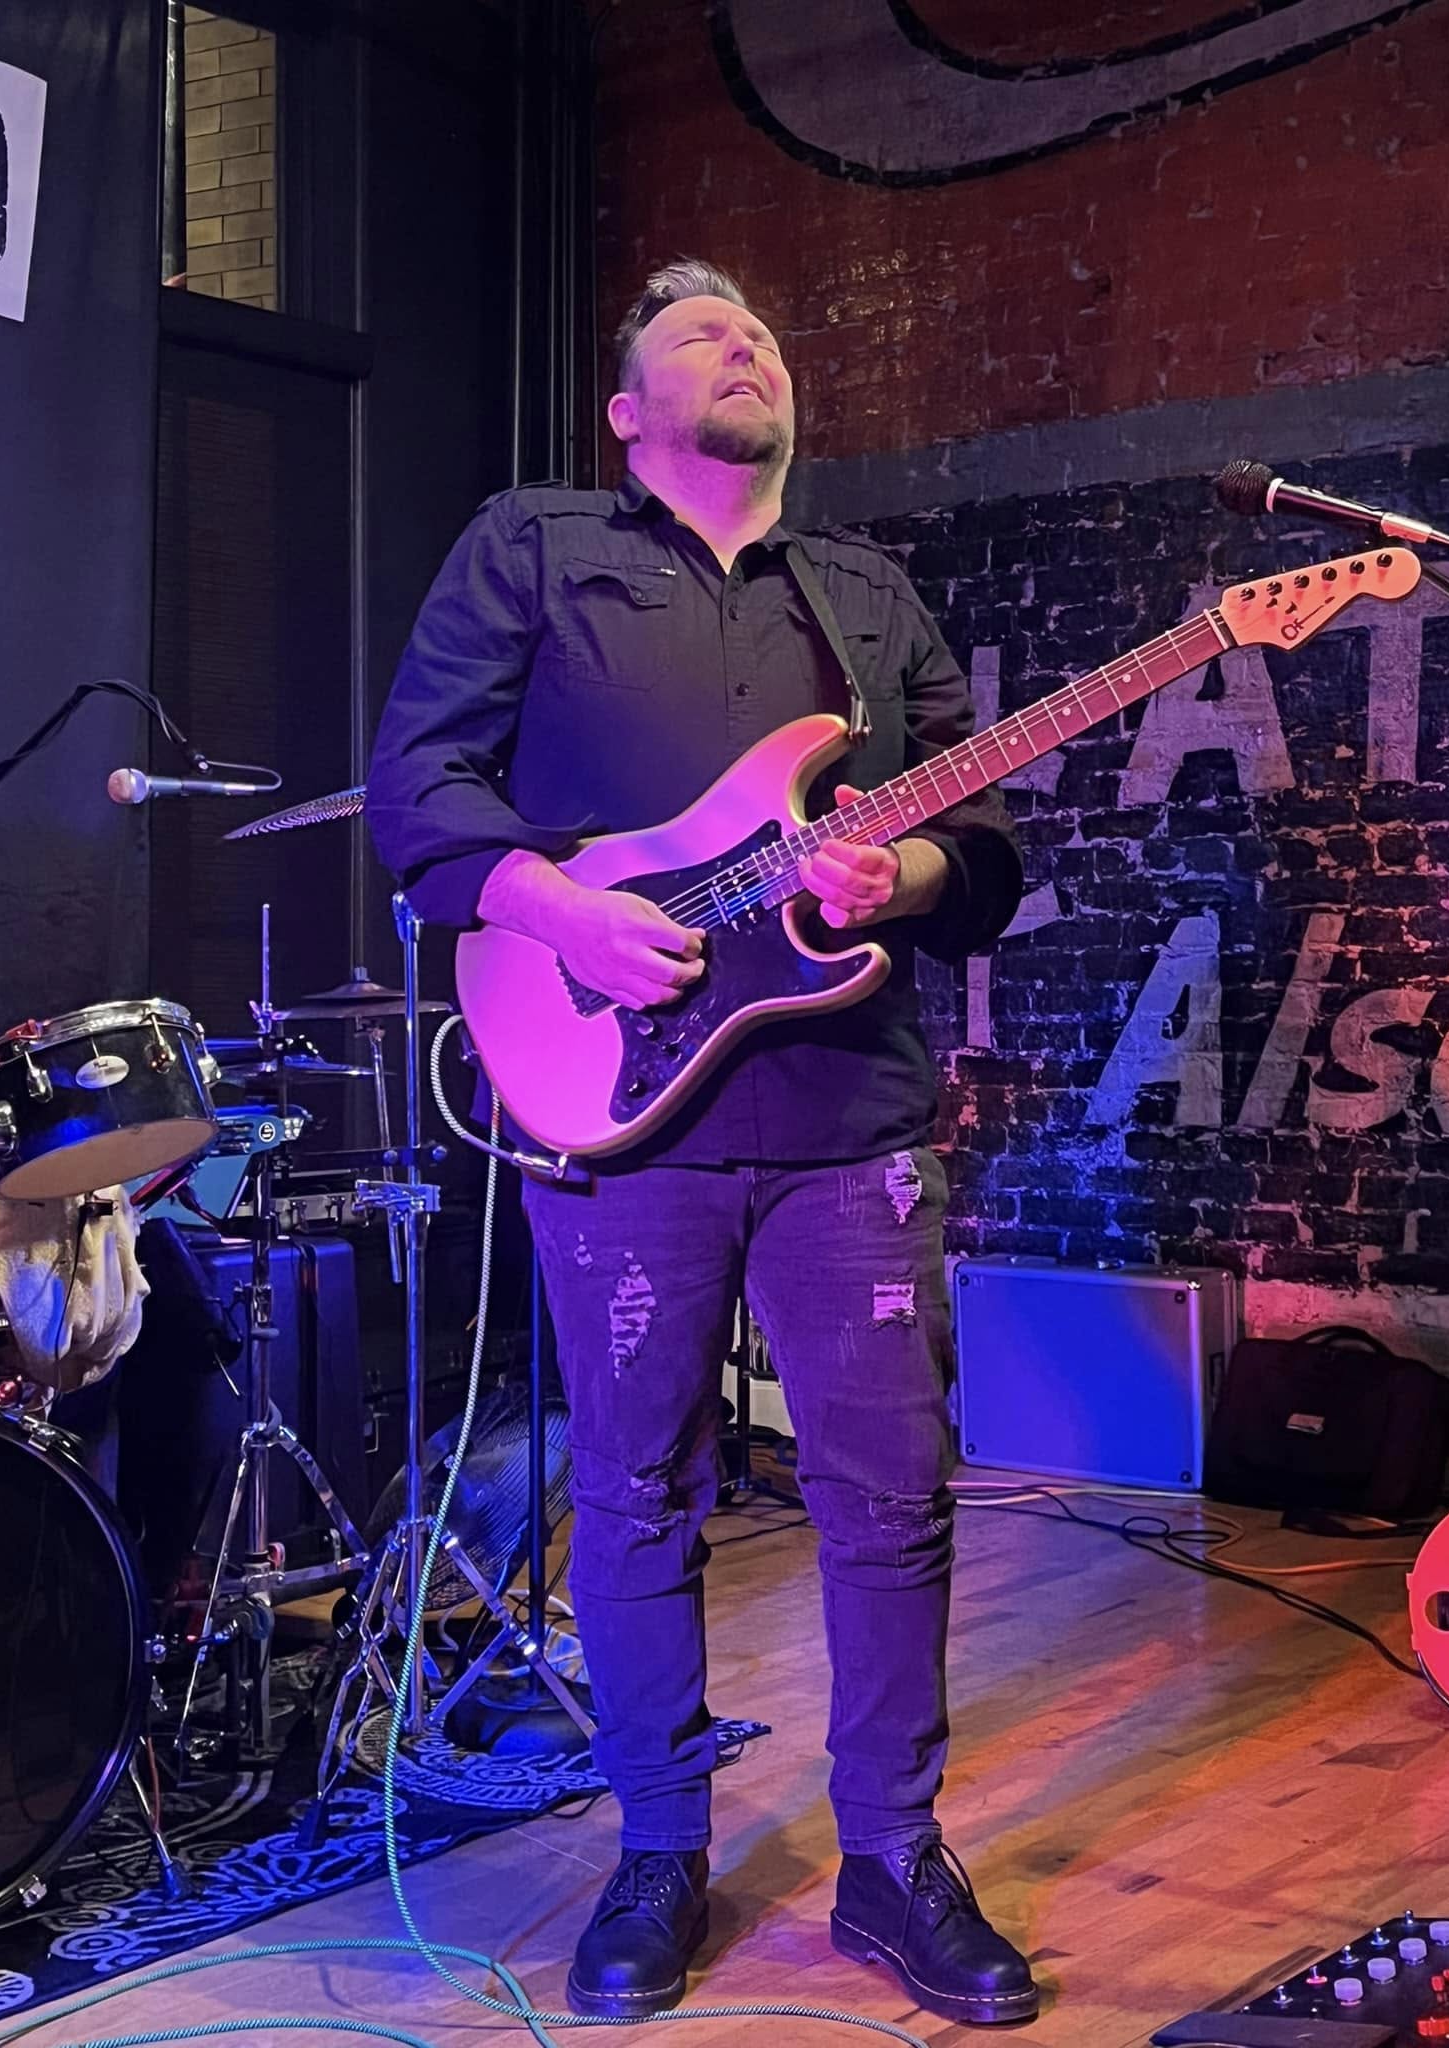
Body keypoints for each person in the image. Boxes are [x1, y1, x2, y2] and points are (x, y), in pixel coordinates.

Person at [366, 260, 1037, 2027]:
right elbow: (418, 787)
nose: (744, 342)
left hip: (848, 1117)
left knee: (889, 1494)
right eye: (697, 334)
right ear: (626, 411)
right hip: (615, 1106)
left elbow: (987, 854)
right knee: (637, 1489)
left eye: (760, 331)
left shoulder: (866, 598)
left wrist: (907, 873)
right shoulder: (533, 548)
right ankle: (659, 1850)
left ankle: (893, 1857)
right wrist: (560, 915)